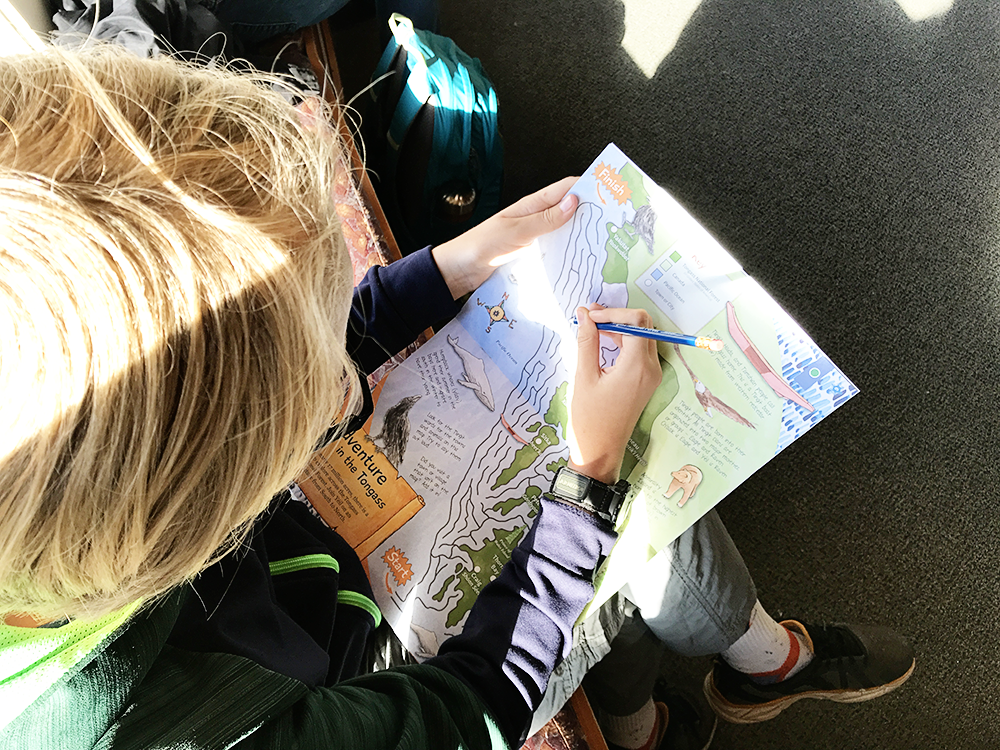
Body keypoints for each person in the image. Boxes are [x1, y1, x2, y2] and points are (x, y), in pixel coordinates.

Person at [0, 45, 914, 750]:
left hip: (312, 581)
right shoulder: (206, 730)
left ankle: (660, 717)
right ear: (181, 519)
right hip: (385, 666)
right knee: (639, 503)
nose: (348, 388)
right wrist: (589, 477)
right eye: (305, 399)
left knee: (618, 528)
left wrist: (446, 267)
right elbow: (467, 710)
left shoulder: (58, 495)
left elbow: (207, 351)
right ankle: (761, 665)